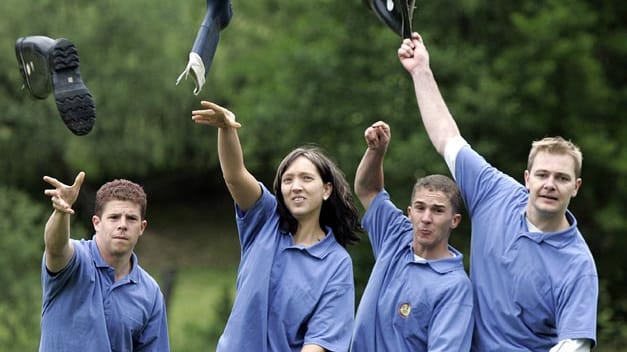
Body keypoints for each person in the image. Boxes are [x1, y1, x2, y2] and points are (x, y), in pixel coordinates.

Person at [398, 32, 598, 351]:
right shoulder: (495, 192)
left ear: (575, 187)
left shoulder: (578, 265)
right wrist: (421, 70)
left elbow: (575, 345)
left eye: (561, 178)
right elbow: (447, 138)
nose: (549, 184)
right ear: (527, 178)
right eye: (543, 174)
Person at [192, 101, 364, 352]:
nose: (296, 186)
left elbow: (319, 342)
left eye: (306, 178)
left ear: (327, 189)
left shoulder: (336, 263)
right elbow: (235, 176)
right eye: (288, 180)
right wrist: (227, 130)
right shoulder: (264, 219)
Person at [351, 120, 474, 351]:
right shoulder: (395, 236)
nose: (426, 218)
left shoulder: (455, 287)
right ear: (410, 213)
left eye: (437, 210)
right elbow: (368, 189)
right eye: (420, 208)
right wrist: (376, 152)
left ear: (454, 220)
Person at [40, 172, 170, 351]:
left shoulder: (150, 293)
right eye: (114, 217)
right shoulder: (75, 261)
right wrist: (61, 212)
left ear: (142, 227)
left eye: (131, 218)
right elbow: (55, 248)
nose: (122, 225)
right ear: (96, 223)